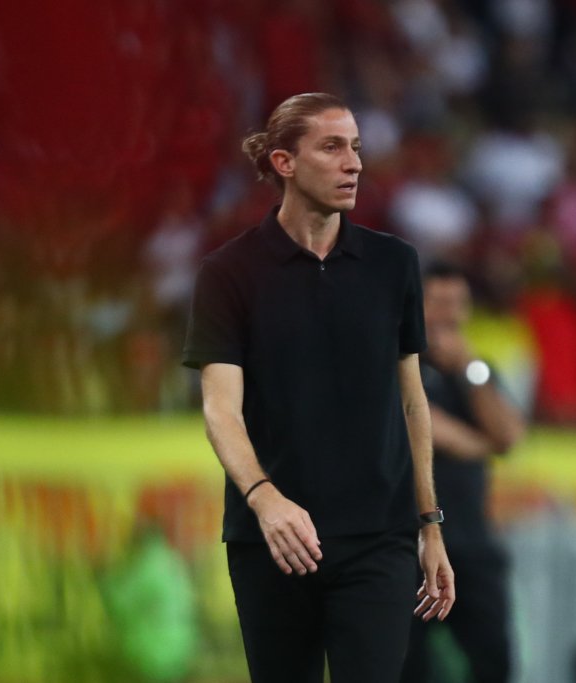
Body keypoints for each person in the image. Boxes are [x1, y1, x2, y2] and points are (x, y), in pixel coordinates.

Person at [182, 92, 455, 683]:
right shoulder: (228, 274)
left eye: (355, 148)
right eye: (332, 147)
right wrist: (265, 499)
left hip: (379, 540)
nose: (353, 163)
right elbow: (220, 409)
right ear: (284, 162)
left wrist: (429, 524)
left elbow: (413, 402)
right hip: (274, 541)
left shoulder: (394, 264)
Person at [401, 261, 526, 683]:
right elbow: (428, 429)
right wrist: (482, 444)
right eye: (438, 303)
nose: (449, 315)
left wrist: (468, 366)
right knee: (408, 669)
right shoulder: (399, 365)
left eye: (458, 303)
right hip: (409, 547)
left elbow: (509, 435)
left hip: (471, 547)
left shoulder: (477, 372)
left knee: (495, 664)